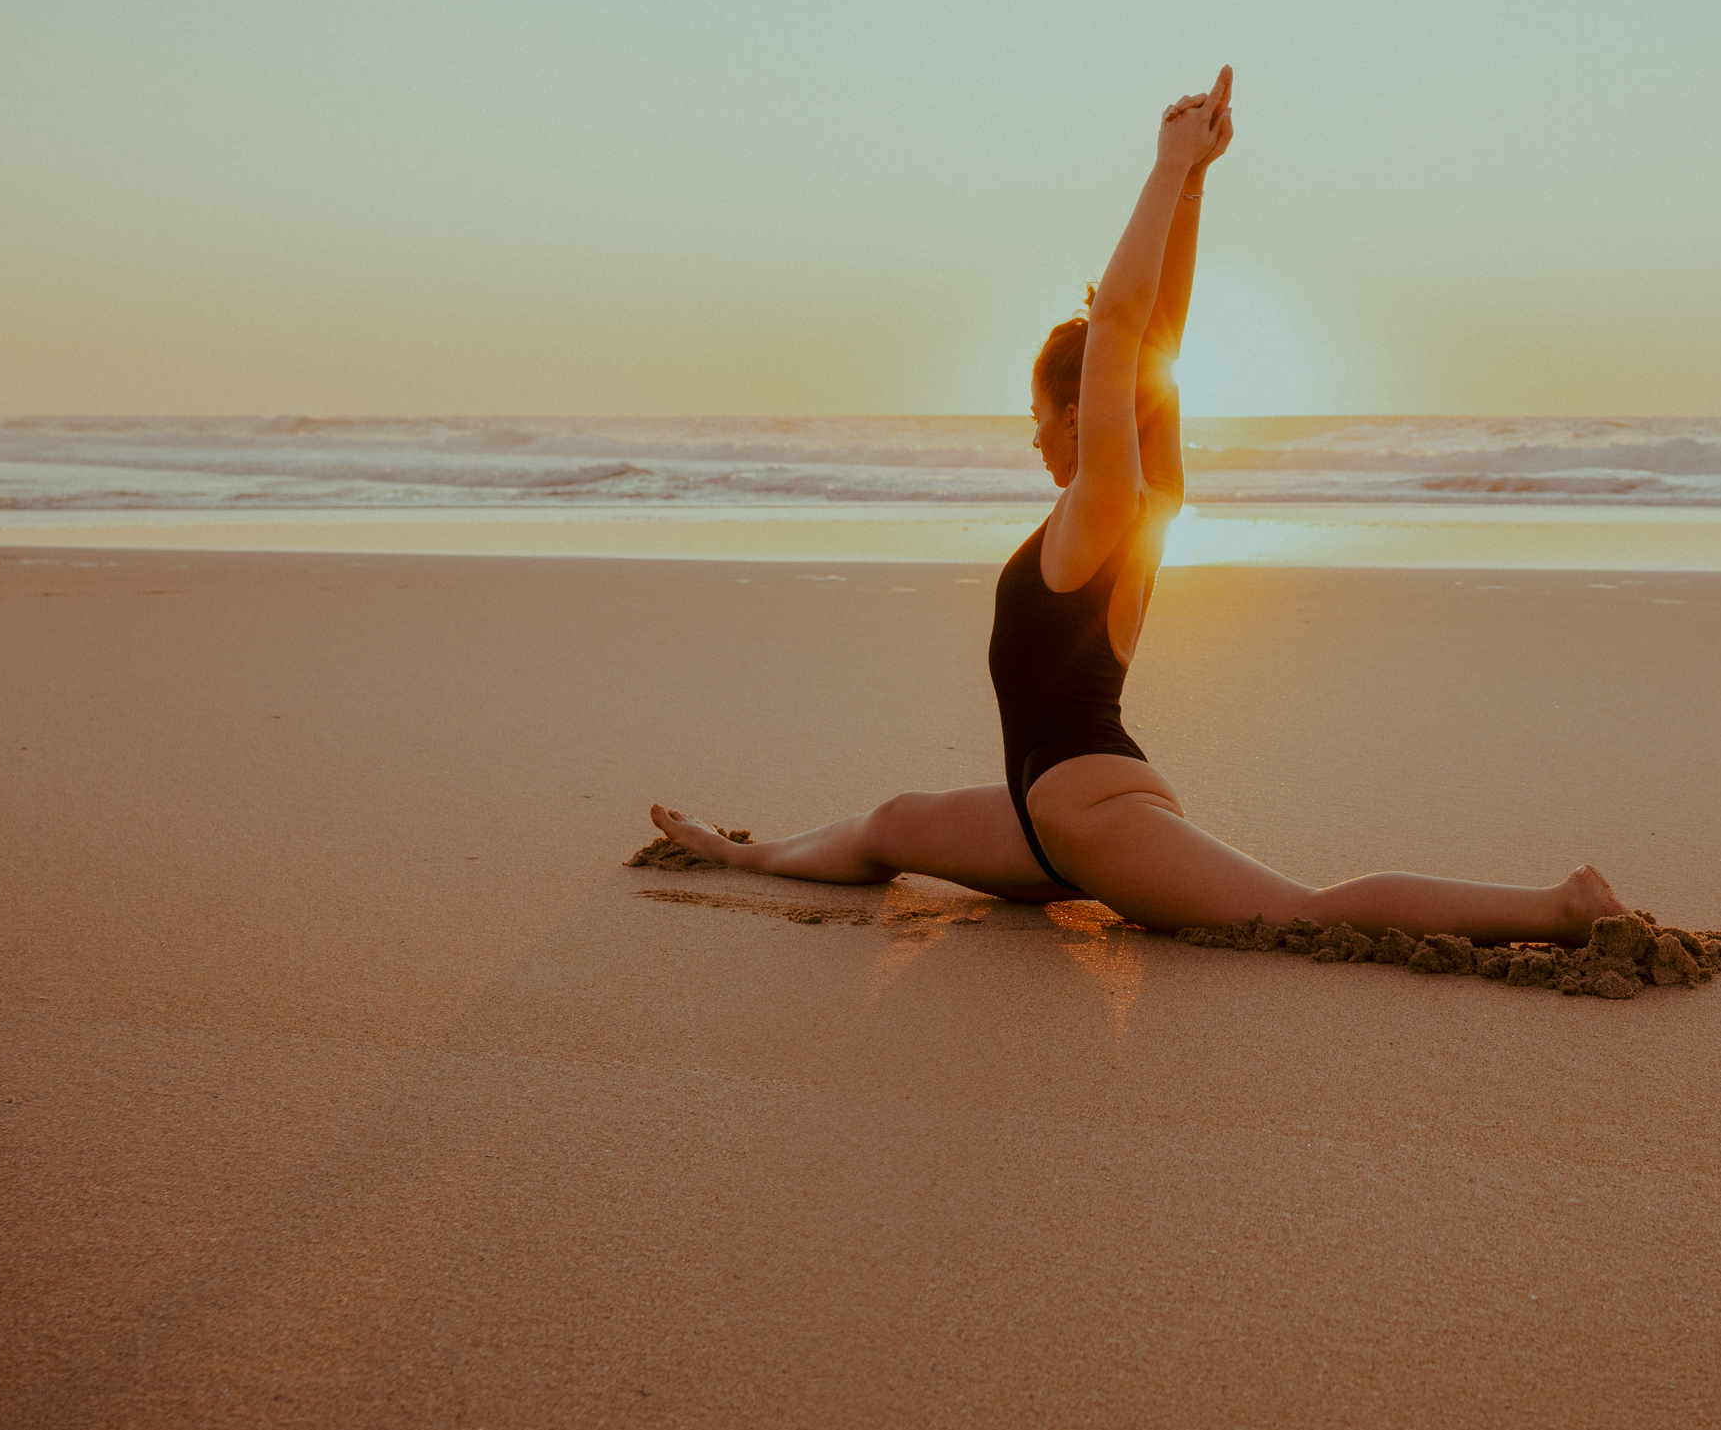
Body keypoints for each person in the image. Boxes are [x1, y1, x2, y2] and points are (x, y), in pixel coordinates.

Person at [650, 66, 1624, 941]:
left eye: (1037, 414)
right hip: (1044, 811)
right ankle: (739, 853)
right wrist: (1197, 184)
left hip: (1091, 812)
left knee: (1302, 915)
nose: (1031, 435)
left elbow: (1125, 324)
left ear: (1081, 412)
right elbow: (1160, 339)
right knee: (891, 821)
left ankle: (1557, 905)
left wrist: (1165, 165)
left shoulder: (1106, 500)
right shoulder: (1139, 496)